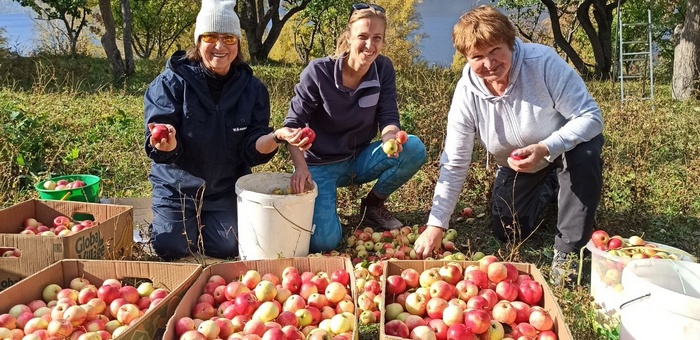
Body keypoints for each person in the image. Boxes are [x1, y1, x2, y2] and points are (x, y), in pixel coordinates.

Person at [414, 6, 604, 284]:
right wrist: (436, 223)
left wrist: (547, 147)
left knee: (585, 152)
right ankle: (553, 187)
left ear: (511, 43)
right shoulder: (467, 94)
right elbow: (454, 160)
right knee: (508, 230)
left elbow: (591, 117)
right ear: (466, 58)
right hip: (518, 165)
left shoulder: (542, 63)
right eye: (477, 57)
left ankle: (569, 249)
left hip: (562, 149)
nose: (489, 63)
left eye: (495, 51)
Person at [143, 0, 297, 260]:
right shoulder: (170, 83)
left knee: (228, 246)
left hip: (224, 188)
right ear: (198, 41)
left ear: (238, 43)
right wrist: (166, 144)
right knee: (172, 246)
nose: (220, 46)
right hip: (177, 188)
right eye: (210, 37)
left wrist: (274, 137)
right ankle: (168, 225)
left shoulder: (253, 89)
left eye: (228, 38)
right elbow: (158, 136)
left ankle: (198, 223)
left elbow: (251, 149)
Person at [282, 3, 427, 253]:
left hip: (357, 158)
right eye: (362, 37)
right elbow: (292, 125)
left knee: (413, 148)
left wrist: (391, 136)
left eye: (377, 38)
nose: (370, 46)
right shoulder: (319, 72)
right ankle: (325, 208)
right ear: (349, 37)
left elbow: (388, 114)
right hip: (320, 165)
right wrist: (300, 167)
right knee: (324, 242)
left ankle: (372, 205)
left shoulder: (383, 68)